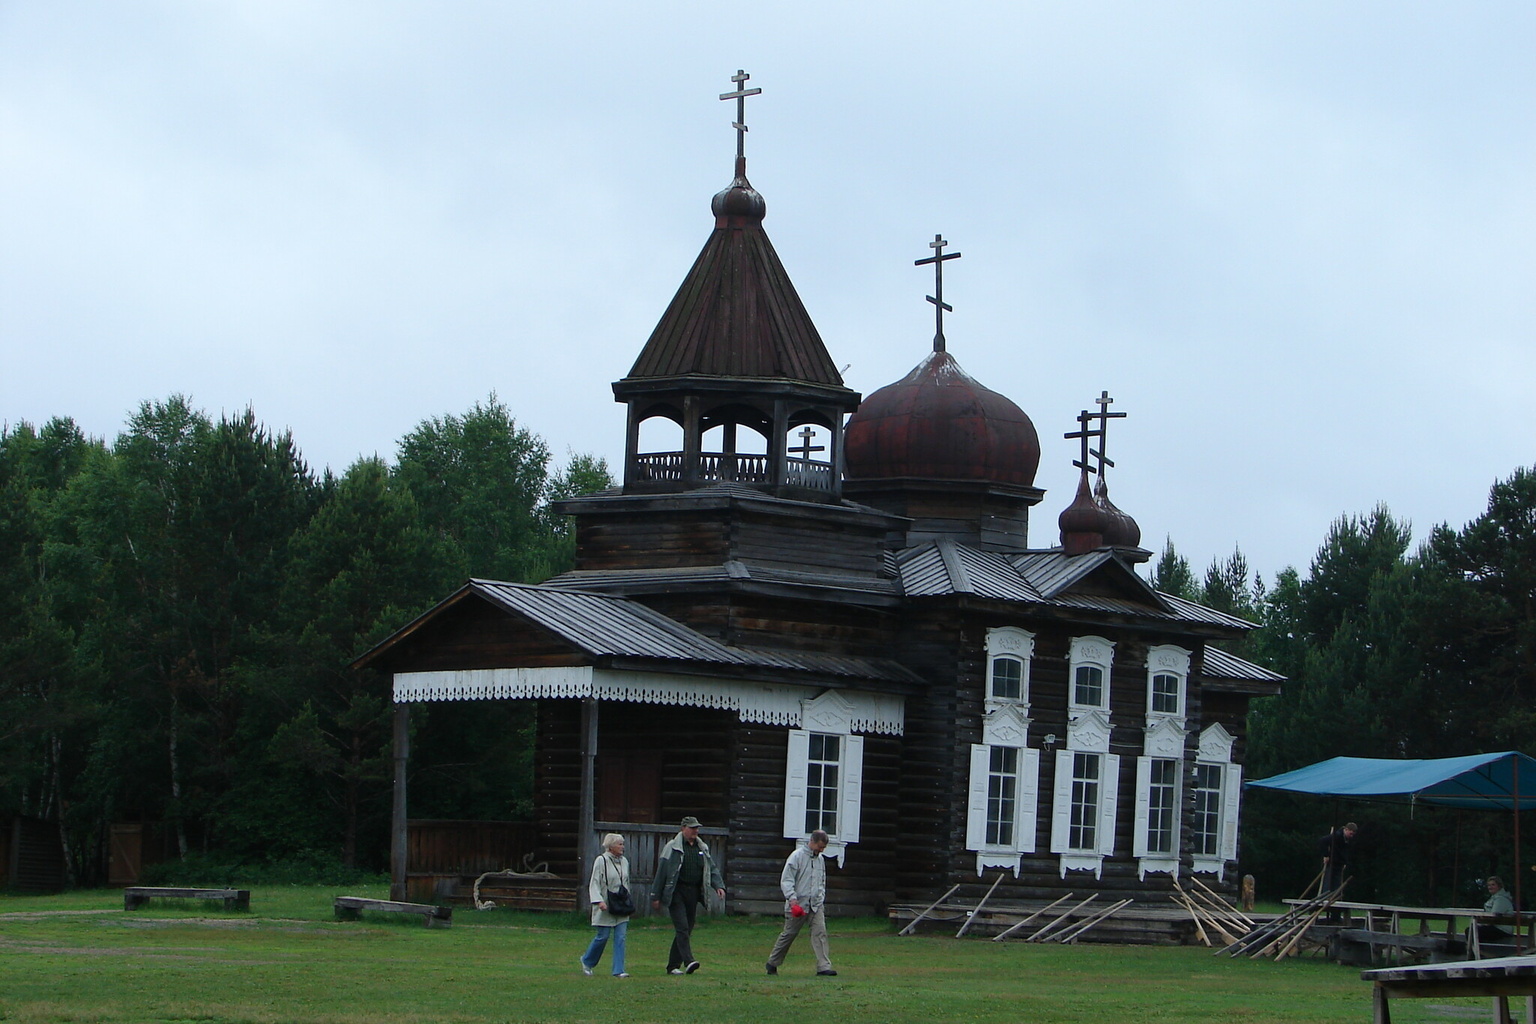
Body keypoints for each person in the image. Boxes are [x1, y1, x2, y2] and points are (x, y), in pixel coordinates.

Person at [650, 815, 726, 975]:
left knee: (687, 928)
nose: (695, 831)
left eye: (697, 828)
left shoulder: (701, 848)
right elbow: (662, 872)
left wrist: (718, 885)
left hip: (693, 892)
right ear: (683, 829)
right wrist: (655, 896)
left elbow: (711, 868)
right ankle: (689, 961)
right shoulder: (672, 847)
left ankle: (672, 966)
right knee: (682, 927)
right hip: (676, 891)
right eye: (692, 828)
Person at [766, 829, 836, 977]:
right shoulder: (796, 857)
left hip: (816, 905)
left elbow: (822, 880)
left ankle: (824, 967)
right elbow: (787, 880)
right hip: (798, 905)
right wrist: (792, 899)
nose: (821, 850)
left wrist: (820, 896)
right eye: (820, 847)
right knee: (789, 934)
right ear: (812, 842)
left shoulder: (820, 859)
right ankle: (772, 963)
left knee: (820, 933)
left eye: (823, 848)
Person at [579, 833, 632, 978]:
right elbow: (594, 882)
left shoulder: (624, 861)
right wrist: (599, 901)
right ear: (610, 846)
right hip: (605, 904)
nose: (622, 847)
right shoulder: (601, 861)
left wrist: (627, 899)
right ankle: (587, 961)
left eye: (623, 844)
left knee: (620, 937)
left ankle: (618, 970)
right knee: (603, 936)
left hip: (621, 905)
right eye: (619, 844)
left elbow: (626, 882)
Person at [1468, 875, 1517, 952]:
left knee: (1472, 930)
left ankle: (1476, 953)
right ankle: (1478, 952)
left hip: (1502, 930)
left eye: (1493, 885)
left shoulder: (1501, 899)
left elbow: (1493, 915)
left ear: (1499, 886)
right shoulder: (1495, 898)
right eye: (1489, 885)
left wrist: (1482, 919)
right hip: (1495, 927)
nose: (1490, 887)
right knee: (1473, 929)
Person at [1317, 821, 1357, 895]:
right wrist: (1326, 855)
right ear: (1346, 829)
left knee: (1337, 886)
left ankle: (1335, 902)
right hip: (1331, 863)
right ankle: (1324, 900)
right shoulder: (1336, 836)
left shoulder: (1348, 840)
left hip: (1339, 865)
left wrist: (1345, 862)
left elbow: (1345, 852)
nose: (1351, 836)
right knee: (1327, 885)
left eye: (1353, 834)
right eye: (1350, 833)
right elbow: (1322, 841)